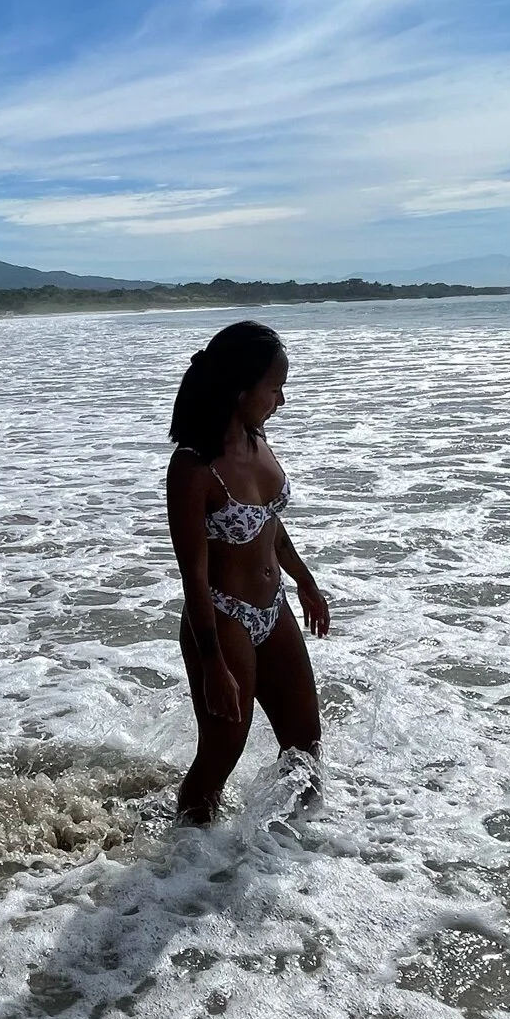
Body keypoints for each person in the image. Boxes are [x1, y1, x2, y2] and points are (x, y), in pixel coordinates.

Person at [165, 320, 330, 823]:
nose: (281, 399)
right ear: (241, 389)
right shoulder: (193, 469)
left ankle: (296, 849)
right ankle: (185, 867)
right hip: (221, 619)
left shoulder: (258, 441)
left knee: (304, 743)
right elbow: (192, 575)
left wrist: (304, 580)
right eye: (275, 387)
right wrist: (213, 663)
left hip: (273, 608)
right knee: (222, 755)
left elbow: (267, 524)